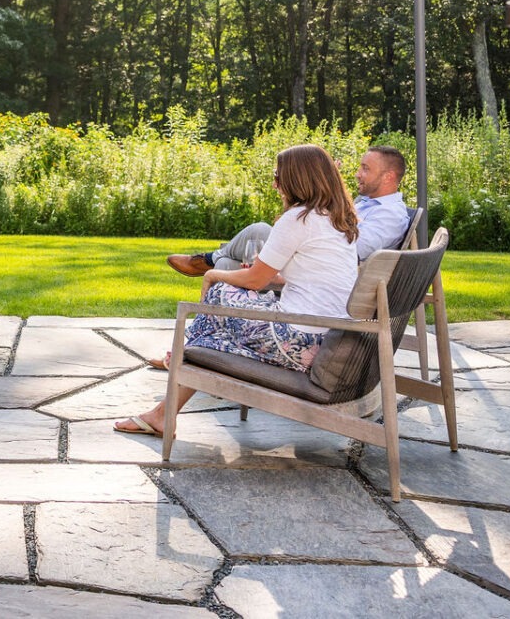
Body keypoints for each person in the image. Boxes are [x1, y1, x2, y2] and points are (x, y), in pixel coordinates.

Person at [116, 144, 359, 436]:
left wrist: (215, 275)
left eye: (278, 177)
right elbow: (314, 278)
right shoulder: (339, 220)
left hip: (295, 339)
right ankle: (170, 394)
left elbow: (255, 282)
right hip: (324, 337)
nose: (275, 184)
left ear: (298, 179)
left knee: (219, 294)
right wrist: (267, 274)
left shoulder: (298, 219)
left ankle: (177, 368)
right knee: (215, 326)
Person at [165, 145, 411, 278]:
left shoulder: (390, 215)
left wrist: (306, 229)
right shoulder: (367, 202)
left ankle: (208, 261)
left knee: (260, 231)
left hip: (321, 273)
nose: (358, 173)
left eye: (366, 169)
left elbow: (351, 248)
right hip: (316, 263)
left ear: (389, 176)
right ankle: (214, 264)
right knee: (231, 263)